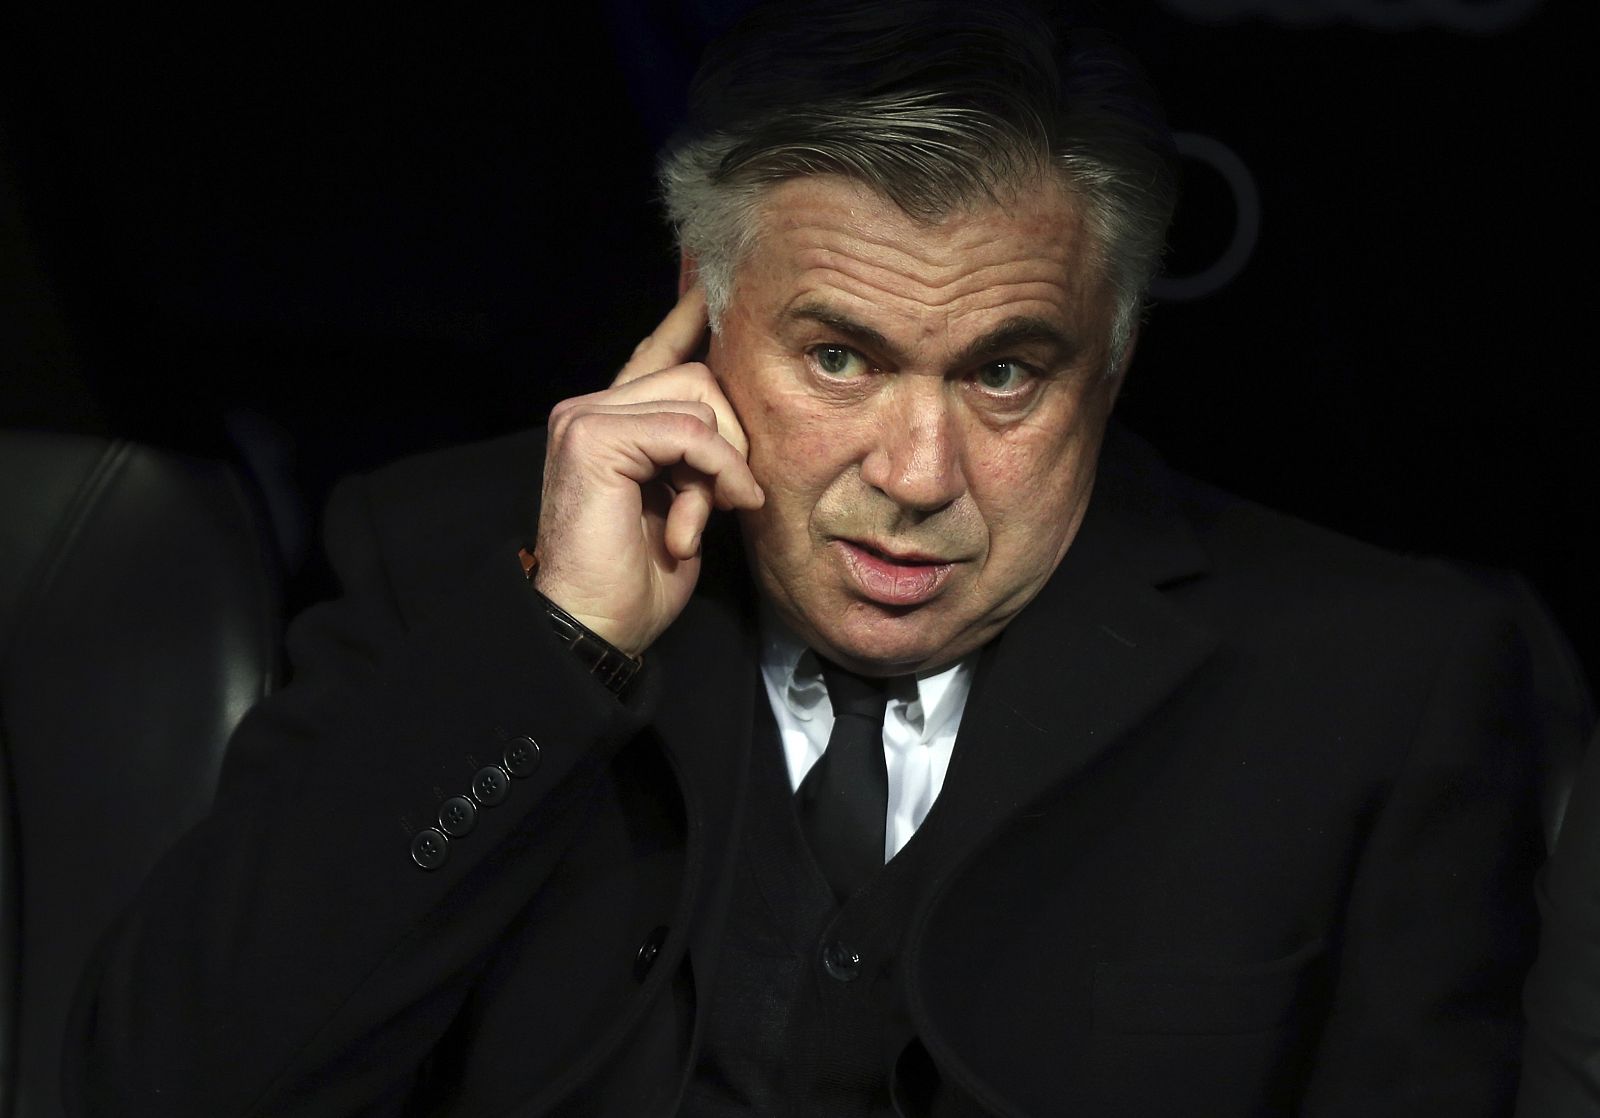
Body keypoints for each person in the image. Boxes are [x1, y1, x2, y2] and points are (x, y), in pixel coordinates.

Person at [68, 2, 1556, 1114]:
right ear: (700, 323)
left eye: (1005, 373)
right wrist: (559, 650)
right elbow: (161, 1084)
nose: (915, 478)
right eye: (838, 357)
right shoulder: (448, 561)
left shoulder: (1380, 678)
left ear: (1111, 357)